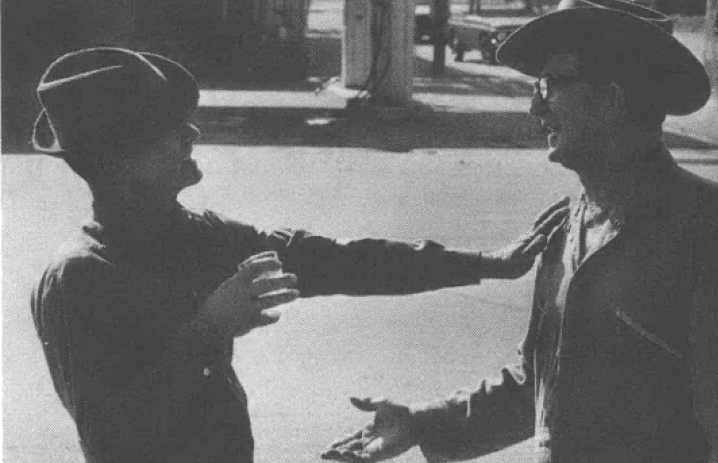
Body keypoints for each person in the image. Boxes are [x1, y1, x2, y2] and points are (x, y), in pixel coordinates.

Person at [29, 47, 568, 463]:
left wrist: (482, 263)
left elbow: (335, 261)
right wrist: (210, 331)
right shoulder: (81, 276)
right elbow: (110, 438)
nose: (190, 133)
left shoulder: (195, 237)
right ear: (121, 160)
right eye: (167, 128)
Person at [322, 1, 718, 462]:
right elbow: (537, 381)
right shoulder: (566, 226)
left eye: (550, 86)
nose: (535, 106)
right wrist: (424, 422)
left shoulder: (708, 227)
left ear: (610, 101)